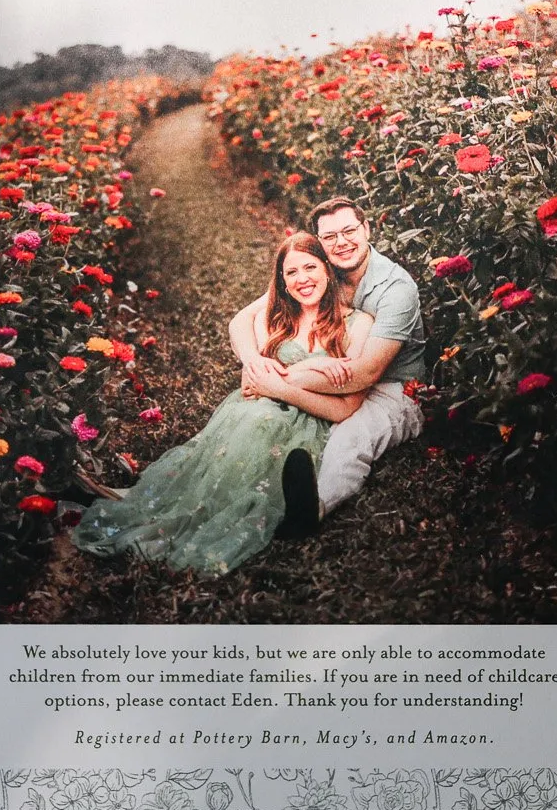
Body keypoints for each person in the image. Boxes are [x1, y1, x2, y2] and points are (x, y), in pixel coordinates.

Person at [70, 233, 375, 576]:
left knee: (265, 430)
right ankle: (155, 507)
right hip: (248, 409)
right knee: (245, 431)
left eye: (310, 267)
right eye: (292, 273)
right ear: (283, 283)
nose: (302, 279)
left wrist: (283, 383)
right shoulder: (274, 321)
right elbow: (253, 381)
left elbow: (346, 405)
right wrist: (311, 367)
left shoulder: (357, 324)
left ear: (328, 270)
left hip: (307, 417)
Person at [228, 196, 425, 537]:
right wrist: (255, 362)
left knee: (350, 435)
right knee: (271, 421)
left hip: (391, 385)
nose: (342, 242)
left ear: (366, 229)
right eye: (330, 236)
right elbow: (242, 320)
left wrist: (277, 380)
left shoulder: (396, 289)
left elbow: (364, 373)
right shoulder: (320, 267)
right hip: (326, 372)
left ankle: (313, 507)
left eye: (349, 230)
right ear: (319, 242)